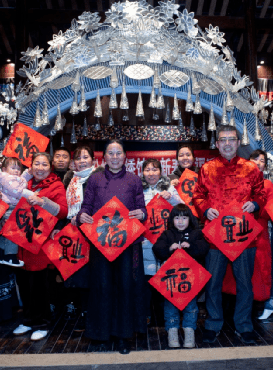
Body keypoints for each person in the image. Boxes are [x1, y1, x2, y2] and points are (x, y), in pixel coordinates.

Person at [192, 125, 266, 345]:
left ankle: (244, 325)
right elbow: (198, 195)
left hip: (243, 237)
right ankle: (213, 323)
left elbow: (261, 193)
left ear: (238, 142)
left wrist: (255, 204)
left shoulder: (251, 168)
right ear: (217, 144)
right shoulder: (207, 168)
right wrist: (205, 209)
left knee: (245, 283)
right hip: (215, 237)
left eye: (231, 139)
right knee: (213, 283)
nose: (226, 143)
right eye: (222, 140)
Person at [77, 139, 147, 355]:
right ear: (104, 157)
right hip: (101, 243)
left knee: (125, 288)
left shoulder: (134, 180)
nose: (115, 157)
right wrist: (82, 216)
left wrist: (141, 214)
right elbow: (85, 207)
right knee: (102, 287)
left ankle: (123, 336)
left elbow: (141, 209)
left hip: (126, 244)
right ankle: (100, 335)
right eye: (111, 153)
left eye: (119, 153)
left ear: (125, 156)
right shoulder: (95, 179)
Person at [12, 152, 68, 341]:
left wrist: (43, 202)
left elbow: (63, 212)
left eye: (44, 164)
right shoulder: (23, 183)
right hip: (22, 241)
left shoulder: (56, 184)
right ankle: (27, 320)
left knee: (40, 285)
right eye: (37, 164)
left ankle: (42, 322)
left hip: (42, 243)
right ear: (31, 166)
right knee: (24, 283)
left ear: (50, 166)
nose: (41, 168)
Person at [55, 146, 103, 328]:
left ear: (93, 159)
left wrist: (85, 214)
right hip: (75, 232)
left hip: (96, 232)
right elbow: (65, 208)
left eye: (86, 157)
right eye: (78, 158)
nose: (82, 161)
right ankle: (82, 310)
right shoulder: (70, 180)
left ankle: (95, 310)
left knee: (95, 273)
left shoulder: (100, 177)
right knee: (78, 273)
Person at [152, 204, 209, 348]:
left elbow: (204, 248)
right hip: (171, 282)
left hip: (190, 280)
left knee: (191, 306)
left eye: (184, 218)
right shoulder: (167, 234)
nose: (181, 221)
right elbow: (157, 249)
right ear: (172, 220)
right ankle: (172, 331)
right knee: (170, 306)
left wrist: (190, 246)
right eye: (177, 218)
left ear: (190, 219)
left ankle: (189, 330)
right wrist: (169, 248)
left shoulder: (196, 234)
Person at [140, 159, 183, 325]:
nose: (151, 173)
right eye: (147, 170)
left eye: (154, 169)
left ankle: (165, 317)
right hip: (144, 240)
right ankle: (146, 316)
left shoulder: (168, 187)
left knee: (166, 279)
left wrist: (170, 197)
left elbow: (182, 208)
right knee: (146, 281)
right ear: (142, 172)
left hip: (165, 241)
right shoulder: (138, 189)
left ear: (161, 171)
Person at [0, 157, 36, 267]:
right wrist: (31, 194)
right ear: (4, 169)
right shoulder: (6, 179)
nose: (16, 171)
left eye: (18, 169)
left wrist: (27, 173)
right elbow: (17, 191)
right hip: (10, 208)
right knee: (13, 233)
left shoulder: (7, 178)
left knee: (5, 234)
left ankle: (1, 255)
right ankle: (11, 257)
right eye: (13, 168)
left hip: (8, 208)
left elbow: (19, 180)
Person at [245, 150, 273, 312]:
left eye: (261, 160)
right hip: (240, 231)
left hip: (259, 232)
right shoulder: (240, 182)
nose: (257, 162)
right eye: (254, 158)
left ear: (265, 165)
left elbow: (268, 212)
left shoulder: (268, 185)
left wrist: (255, 207)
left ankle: (257, 305)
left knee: (259, 267)